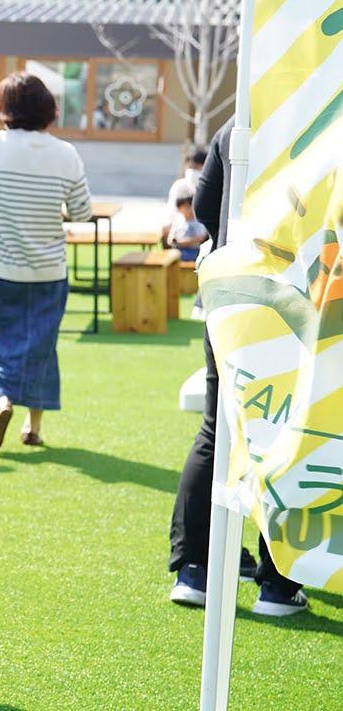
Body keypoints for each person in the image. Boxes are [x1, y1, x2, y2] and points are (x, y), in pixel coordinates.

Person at [168, 118, 308, 615]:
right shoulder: (318, 109)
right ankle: (277, 579)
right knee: (293, 432)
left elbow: (206, 208)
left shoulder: (239, 120)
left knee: (218, 426)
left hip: (232, 294)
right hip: (302, 295)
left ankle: (195, 570)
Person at [0, 74, 92, 455]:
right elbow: (82, 212)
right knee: (41, 347)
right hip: (49, 271)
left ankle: (0, 399)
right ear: (48, 108)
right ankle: (32, 428)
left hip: (0, 268)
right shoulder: (66, 153)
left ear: (4, 109)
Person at [166, 194, 208, 262]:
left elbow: (202, 238)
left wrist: (182, 242)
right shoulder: (178, 221)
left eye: (190, 206)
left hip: (196, 251)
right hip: (179, 251)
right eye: (186, 207)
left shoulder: (199, 222)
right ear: (179, 209)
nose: (190, 210)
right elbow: (170, 240)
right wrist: (176, 242)